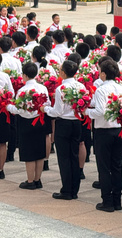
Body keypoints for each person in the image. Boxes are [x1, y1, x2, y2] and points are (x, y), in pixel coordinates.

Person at [86, 59, 122, 212]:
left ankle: (107, 201)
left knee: (104, 168)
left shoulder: (101, 90)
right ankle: (117, 200)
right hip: (118, 130)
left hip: (104, 131)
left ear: (103, 74)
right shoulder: (120, 88)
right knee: (117, 166)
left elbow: (99, 112)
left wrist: (86, 112)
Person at [46, 60, 86, 200]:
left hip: (64, 124)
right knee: (73, 156)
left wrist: (45, 109)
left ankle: (66, 190)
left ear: (63, 72)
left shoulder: (61, 88)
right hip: (76, 123)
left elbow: (57, 111)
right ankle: (74, 189)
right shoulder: (81, 86)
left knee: (64, 158)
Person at [7, 62, 51, 189]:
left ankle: (30, 180)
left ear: (25, 75)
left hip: (26, 123)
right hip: (40, 121)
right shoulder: (42, 88)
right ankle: (38, 179)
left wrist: (7, 106)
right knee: (39, 151)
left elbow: (18, 109)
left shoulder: (22, 90)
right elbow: (46, 103)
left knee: (29, 153)